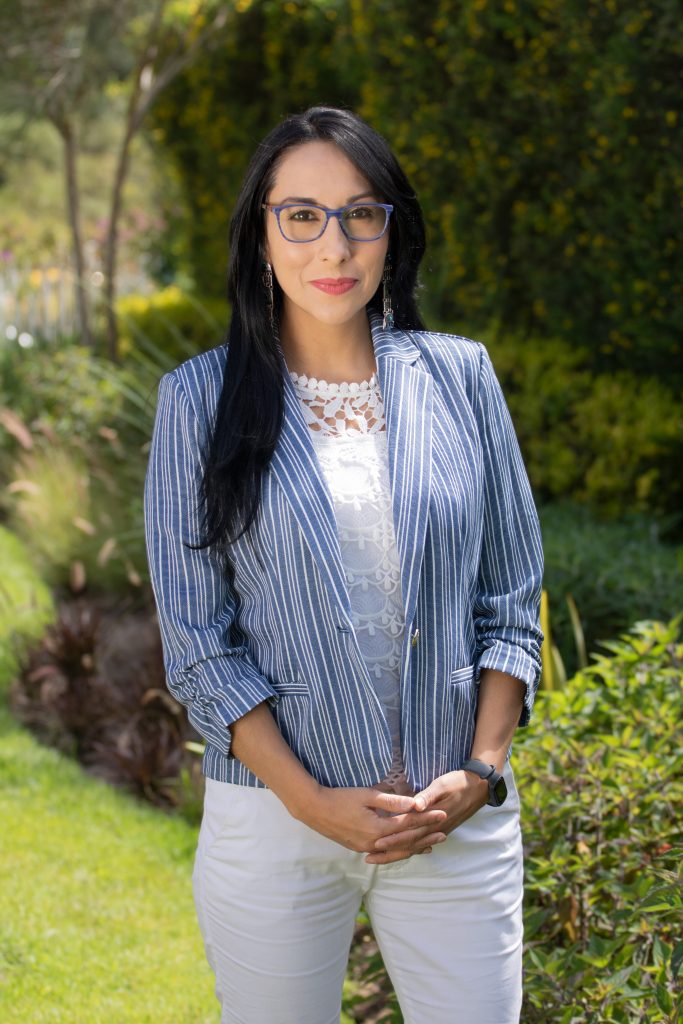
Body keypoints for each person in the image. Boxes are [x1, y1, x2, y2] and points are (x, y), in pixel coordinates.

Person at [143, 104, 544, 1024]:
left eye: (361, 214)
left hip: (452, 820)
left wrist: (479, 772)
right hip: (272, 824)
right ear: (260, 233)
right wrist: (308, 799)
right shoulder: (197, 400)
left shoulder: (461, 376)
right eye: (301, 216)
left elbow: (511, 601)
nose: (334, 245)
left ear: (390, 232)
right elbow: (198, 642)